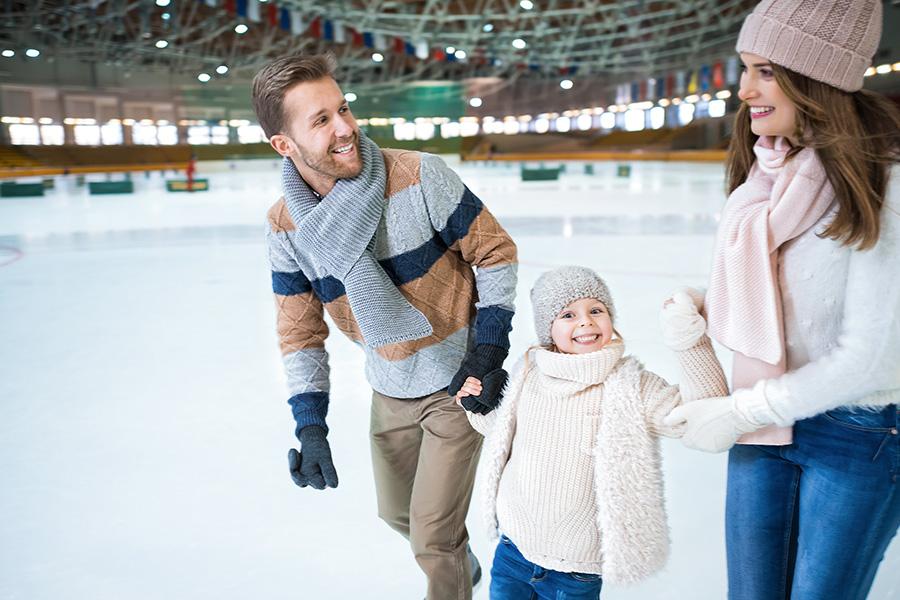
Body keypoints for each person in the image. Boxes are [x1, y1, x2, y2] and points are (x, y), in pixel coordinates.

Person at [251, 53, 518, 600]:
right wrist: (310, 424)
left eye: (343, 109)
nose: (346, 128)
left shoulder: (418, 175)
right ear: (284, 144)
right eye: (320, 120)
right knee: (397, 514)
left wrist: (487, 351)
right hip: (389, 384)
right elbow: (300, 331)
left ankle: (449, 579)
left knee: (432, 538)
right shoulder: (287, 225)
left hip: (457, 383)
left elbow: (494, 252)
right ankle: (461, 573)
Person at [663, 1, 900, 598]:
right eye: (744, 68)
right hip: (768, 428)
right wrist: (707, 301)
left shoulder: (885, 179)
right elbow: (785, 294)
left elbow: (874, 356)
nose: (744, 90)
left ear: (817, 79)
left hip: (859, 435)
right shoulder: (772, 173)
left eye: (765, 70)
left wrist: (744, 411)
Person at [456, 266, 728, 598]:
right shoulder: (529, 372)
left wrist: (689, 340)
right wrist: (476, 405)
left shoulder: (631, 386)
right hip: (513, 553)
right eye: (568, 314)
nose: (585, 321)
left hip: (576, 572)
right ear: (548, 329)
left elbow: (705, 417)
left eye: (596, 310)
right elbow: (503, 435)